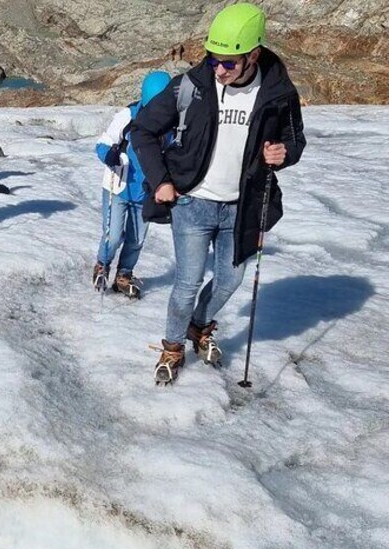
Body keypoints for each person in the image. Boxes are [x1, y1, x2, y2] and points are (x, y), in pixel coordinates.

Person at [131, 3, 306, 384]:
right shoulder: (191, 86)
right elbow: (141, 130)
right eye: (213, 60)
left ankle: (199, 327)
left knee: (230, 281)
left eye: (228, 63)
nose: (219, 69)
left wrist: (284, 153)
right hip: (192, 203)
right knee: (188, 282)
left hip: (243, 207)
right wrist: (161, 180)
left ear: (253, 55)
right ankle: (173, 346)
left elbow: (295, 139)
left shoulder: (278, 92)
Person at [92, 70, 172, 299]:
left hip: (146, 191)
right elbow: (103, 142)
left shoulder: (172, 123)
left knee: (136, 239)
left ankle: (124, 275)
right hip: (118, 186)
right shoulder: (129, 115)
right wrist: (110, 155)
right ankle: (102, 264)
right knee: (114, 235)